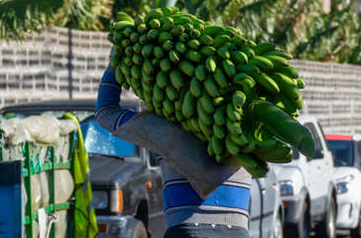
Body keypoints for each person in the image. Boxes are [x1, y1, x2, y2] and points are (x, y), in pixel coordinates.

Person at [95, 53, 252, 238]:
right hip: (236, 232)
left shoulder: (165, 126)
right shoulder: (249, 126)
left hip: (186, 231)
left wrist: (115, 62)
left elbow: (105, 112)